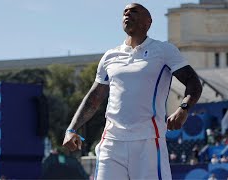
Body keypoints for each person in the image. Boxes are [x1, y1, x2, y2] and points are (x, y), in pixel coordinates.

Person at [62, 3, 202, 180]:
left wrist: (183, 108)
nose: (127, 13)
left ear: (148, 22)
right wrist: (72, 129)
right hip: (111, 142)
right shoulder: (110, 56)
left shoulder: (164, 50)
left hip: (148, 142)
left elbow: (193, 83)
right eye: (125, 12)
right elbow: (94, 97)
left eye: (134, 11)